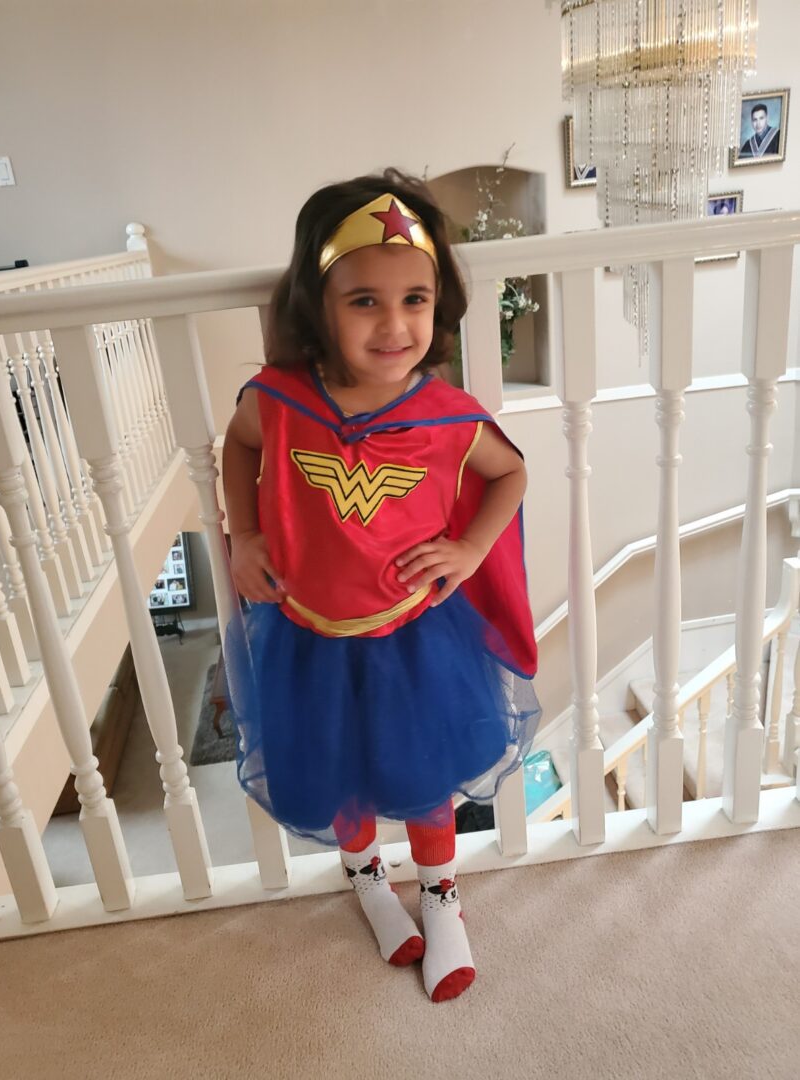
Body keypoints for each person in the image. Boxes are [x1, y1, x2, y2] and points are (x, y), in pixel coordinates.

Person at [222, 169, 540, 1004]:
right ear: (317, 306)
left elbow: (510, 474)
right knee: (337, 771)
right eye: (364, 300)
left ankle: (441, 900)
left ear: (438, 308)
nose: (394, 324)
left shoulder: (448, 416)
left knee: (425, 781)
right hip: (306, 635)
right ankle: (366, 878)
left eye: (415, 299)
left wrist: (470, 551)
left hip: (415, 639)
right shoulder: (281, 401)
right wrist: (244, 532)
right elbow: (239, 445)